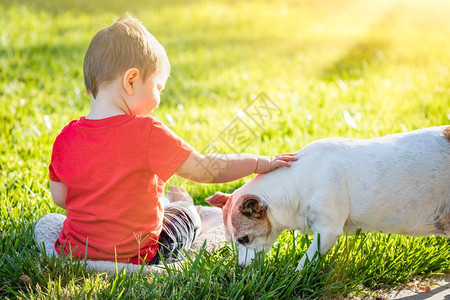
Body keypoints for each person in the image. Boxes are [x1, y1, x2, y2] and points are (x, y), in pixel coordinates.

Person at [47, 14, 297, 265]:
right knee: (185, 214)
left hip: (75, 251)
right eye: (158, 88)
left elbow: (60, 198)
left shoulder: (65, 139)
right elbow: (206, 169)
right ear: (131, 80)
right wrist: (257, 163)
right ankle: (183, 204)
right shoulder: (147, 132)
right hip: (137, 256)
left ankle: (169, 203)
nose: (158, 99)